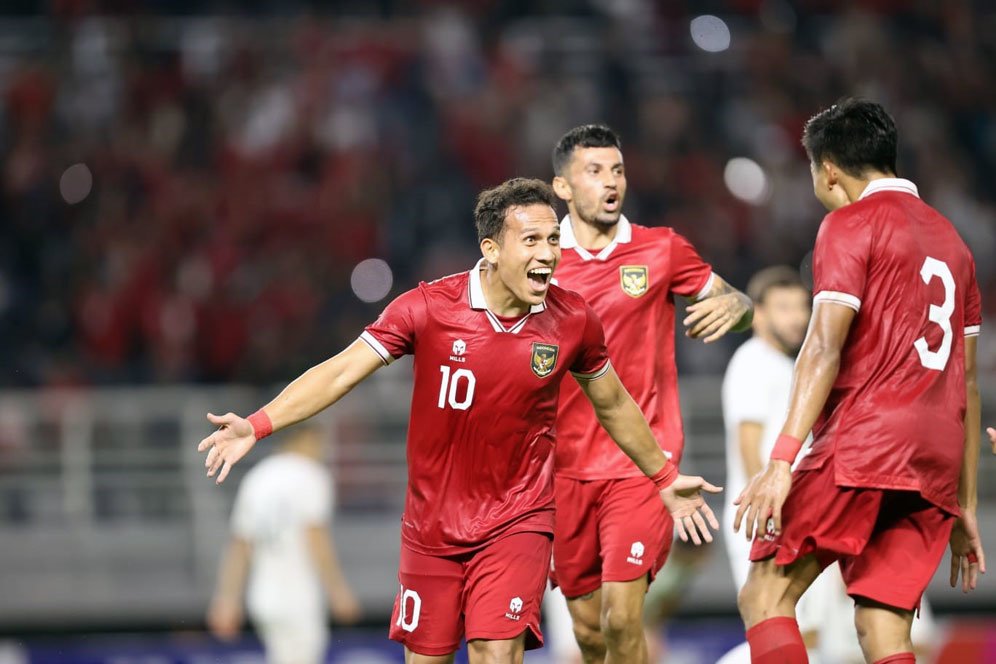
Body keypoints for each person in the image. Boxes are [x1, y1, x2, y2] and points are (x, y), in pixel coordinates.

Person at [198, 178, 722, 664]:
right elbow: (340, 372)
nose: (547, 255)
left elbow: (613, 404)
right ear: (491, 250)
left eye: (553, 240)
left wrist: (664, 477)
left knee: (497, 654)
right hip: (432, 530)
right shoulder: (428, 308)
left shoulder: (573, 319)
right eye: (532, 241)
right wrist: (258, 424)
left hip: (520, 518)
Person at [734, 98, 984, 664]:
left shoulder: (849, 223)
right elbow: (967, 387)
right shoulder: (956, 244)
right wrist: (964, 504)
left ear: (828, 170)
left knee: (765, 592)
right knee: (882, 629)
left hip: (866, 442)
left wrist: (781, 461)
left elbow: (823, 344)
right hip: (935, 462)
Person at [547, 124, 752, 664]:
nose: (611, 182)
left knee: (622, 616)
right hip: (562, 467)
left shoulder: (660, 249)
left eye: (617, 171)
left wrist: (740, 306)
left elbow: (734, 300)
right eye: (594, 171)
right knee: (588, 631)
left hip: (644, 463)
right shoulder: (539, 261)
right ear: (563, 187)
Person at [717, 266, 938, 664]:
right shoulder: (751, 362)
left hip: (803, 504)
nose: (797, 318)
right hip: (771, 511)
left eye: (801, 307)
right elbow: (748, 443)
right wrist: (767, 512)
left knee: (812, 629)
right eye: (783, 308)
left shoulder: (790, 365)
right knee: (782, 611)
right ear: (760, 315)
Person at [207, 426, 361, 664]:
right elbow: (316, 536)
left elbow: (240, 544)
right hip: (298, 594)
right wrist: (338, 591)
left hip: (263, 594)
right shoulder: (310, 474)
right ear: (306, 438)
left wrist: (227, 599)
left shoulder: (257, 477)